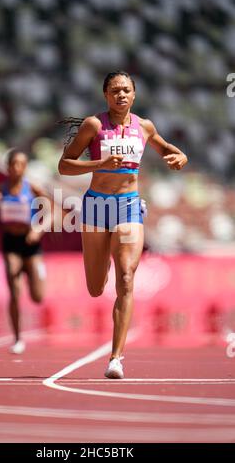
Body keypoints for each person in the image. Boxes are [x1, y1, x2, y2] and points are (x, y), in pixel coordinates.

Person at [58, 71, 188, 379]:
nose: (121, 95)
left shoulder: (144, 127)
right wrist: (99, 164)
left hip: (128, 206)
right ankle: (100, 264)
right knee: (95, 287)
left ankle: (116, 357)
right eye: (115, 90)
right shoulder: (93, 125)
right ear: (105, 95)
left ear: (134, 94)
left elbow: (167, 148)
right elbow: (64, 166)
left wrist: (180, 155)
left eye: (126, 90)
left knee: (127, 278)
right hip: (96, 207)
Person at [0, 149, 50, 354]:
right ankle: (18, 338)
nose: (18, 168)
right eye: (14, 164)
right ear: (8, 166)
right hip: (11, 242)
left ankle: (34, 273)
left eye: (22, 164)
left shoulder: (33, 189)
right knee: (13, 285)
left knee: (38, 296)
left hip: (31, 243)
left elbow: (52, 212)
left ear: (25, 167)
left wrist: (38, 230)